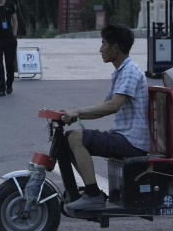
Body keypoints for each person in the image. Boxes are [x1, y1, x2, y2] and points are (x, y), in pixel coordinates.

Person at [60, 24, 152, 211]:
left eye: (103, 44)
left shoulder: (130, 71)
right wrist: (71, 114)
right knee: (68, 139)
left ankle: (93, 195)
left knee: (76, 138)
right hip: (124, 137)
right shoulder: (121, 71)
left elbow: (113, 105)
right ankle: (88, 192)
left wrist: (77, 112)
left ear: (115, 48)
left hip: (132, 142)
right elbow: (103, 105)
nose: (100, 49)